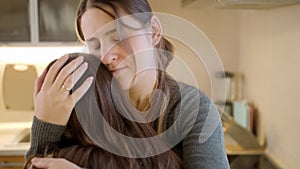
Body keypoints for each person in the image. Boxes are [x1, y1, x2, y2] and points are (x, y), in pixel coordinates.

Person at [25, 0, 230, 168]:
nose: (106, 56)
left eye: (119, 36)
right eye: (94, 45)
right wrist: (45, 123)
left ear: (154, 31)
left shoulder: (193, 109)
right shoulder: (83, 102)